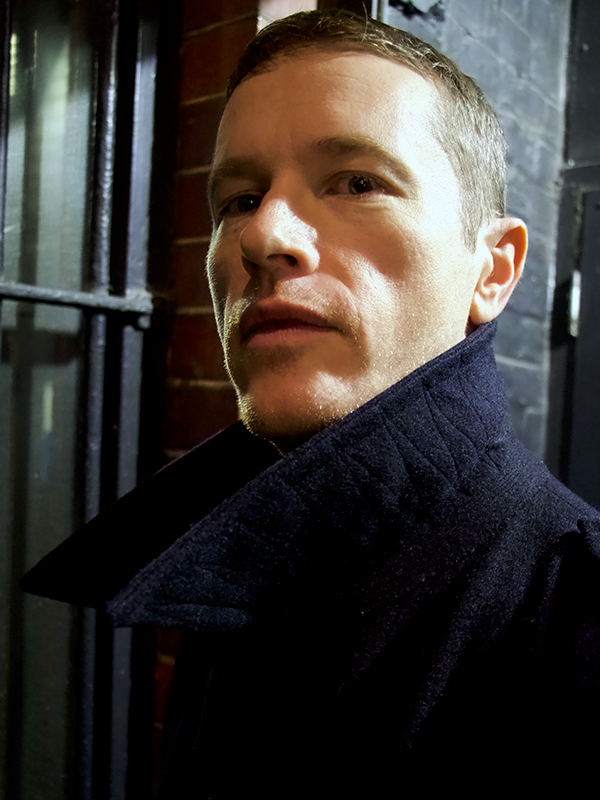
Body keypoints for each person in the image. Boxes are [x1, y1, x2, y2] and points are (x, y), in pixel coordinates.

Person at [22, 9, 600, 797]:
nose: (264, 235)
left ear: (493, 269)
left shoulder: (576, 618)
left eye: (359, 183)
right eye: (239, 199)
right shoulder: (236, 555)